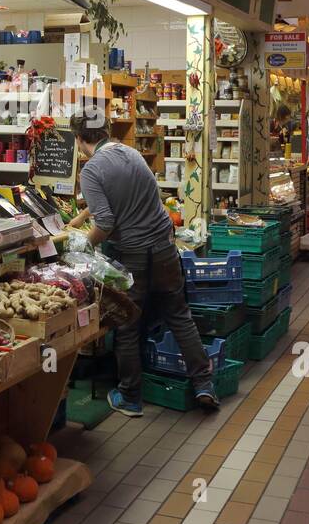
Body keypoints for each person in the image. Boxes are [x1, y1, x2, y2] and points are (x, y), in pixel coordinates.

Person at [70, 110, 217, 416]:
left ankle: (130, 397)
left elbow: (107, 222)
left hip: (134, 255)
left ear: (79, 139)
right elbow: (126, 198)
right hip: (164, 248)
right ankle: (204, 384)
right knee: (179, 315)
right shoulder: (133, 155)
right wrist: (84, 215)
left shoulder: (92, 170)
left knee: (128, 323)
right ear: (107, 131)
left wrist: (80, 244)